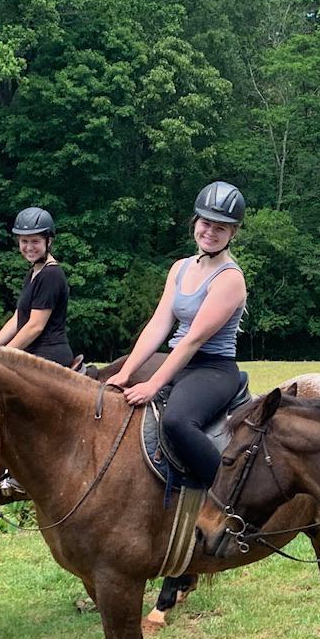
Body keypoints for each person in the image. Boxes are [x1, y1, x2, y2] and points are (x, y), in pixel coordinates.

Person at [109, 181, 250, 489]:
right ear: (195, 223)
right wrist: (127, 372)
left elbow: (193, 339)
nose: (211, 232)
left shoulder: (230, 279)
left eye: (221, 228)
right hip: (179, 361)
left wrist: (152, 384)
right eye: (206, 223)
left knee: (177, 422)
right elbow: (159, 325)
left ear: (233, 233)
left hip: (212, 368)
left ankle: (226, 496)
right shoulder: (180, 268)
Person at [0, 207, 75, 367]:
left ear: (49, 241)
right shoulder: (34, 273)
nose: (29, 247)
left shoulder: (51, 275)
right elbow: (17, 319)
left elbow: (35, 326)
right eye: (24, 241)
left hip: (48, 356)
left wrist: (2, 355)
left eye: (35, 241)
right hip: (30, 353)